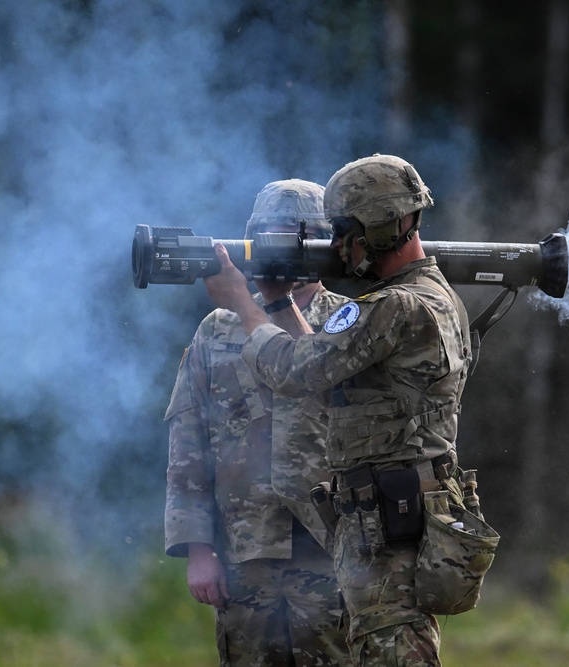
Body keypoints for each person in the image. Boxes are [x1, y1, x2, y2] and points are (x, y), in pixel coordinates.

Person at [201, 155, 474, 667]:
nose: (338, 249)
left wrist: (243, 302)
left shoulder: (391, 307)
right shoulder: (433, 297)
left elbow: (294, 373)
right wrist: (280, 304)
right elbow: (327, 382)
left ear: (379, 227)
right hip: (397, 515)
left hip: (388, 521)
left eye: (343, 231)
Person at [164, 179, 350, 666]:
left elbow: (327, 390)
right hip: (246, 547)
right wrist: (198, 550)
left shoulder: (348, 322)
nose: (277, 247)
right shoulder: (217, 327)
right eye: (266, 235)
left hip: (328, 547)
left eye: (291, 236)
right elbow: (190, 439)